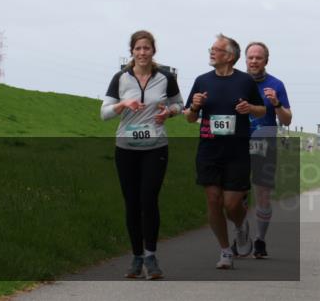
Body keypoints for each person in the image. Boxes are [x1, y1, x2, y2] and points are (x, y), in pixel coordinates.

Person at [101, 30, 183, 280]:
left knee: (149, 200)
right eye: (138, 48)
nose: (142, 53)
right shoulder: (121, 78)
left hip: (155, 148)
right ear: (132, 52)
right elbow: (104, 113)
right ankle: (136, 256)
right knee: (132, 203)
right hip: (126, 149)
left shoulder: (166, 78)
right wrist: (123, 104)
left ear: (153, 51)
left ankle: (151, 256)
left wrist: (167, 113)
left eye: (146, 48)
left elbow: (180, 105)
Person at [184, 34, 266, 269]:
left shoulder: (245, 82)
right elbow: (190, 117)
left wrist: (250, 107)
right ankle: (225, 250)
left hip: (237, 151)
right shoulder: (202, 81)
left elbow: (260, 110)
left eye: (216, 49)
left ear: (229, 56)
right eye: (211, 48)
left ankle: (240, 227)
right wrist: (195, 107)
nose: (211, 52)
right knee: (213, 200)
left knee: (232, 204)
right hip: (209, 150)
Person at [243, 41, 292, 259]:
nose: (254, 61)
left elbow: (287, 120)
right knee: (237, 195)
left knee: (262, 194)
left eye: (258, 58)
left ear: (266, 61)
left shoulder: (276, 85)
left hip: (265, 143)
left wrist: (277, 103)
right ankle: (239, 236)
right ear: (245, 59)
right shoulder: (237, 81)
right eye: (250, 57)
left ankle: (260, 240)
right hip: (238, 144)